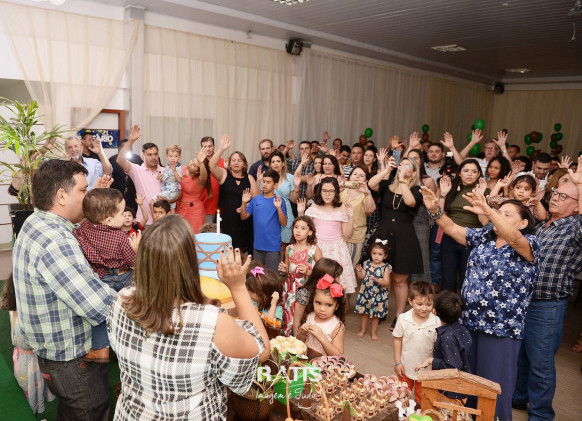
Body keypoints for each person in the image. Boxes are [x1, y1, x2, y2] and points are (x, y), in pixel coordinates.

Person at [107, 217, 270, 420]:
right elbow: (262, 350)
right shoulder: (211, 323)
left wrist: (151, 260)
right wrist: (238, 287)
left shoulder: (120, 301)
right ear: (191, 263)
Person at [421, 186, 539, 421]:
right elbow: (451, 228)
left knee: (492, 390)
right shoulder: (485, 237)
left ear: (523, 223)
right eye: (499, 212)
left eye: (507, 214)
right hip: (469, 323)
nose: (498, 216)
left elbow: (515, 238)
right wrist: (435, 210)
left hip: (501, 329)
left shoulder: (530, 243)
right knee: (467, 384)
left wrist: (490, 211)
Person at [13, 159, 115, 420]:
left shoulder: (37, 222)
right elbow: (97, 304)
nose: (87, 196)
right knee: (92, 411)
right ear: (61, 196)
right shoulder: (55, 240)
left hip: (54, 356)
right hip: (72, 360)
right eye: (83, 190)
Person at [513, 170, 582, 420]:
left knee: (541, 364)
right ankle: (519, 397)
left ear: (577, 206)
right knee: (522, 355)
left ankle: (541, 415)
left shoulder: (575, 228)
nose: (555, 198)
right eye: (555, 193)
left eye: (564, 197)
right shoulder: (542, 225)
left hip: (548, 306)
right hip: (525, 300)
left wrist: (580, 183)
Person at [73, 188, 140, 362]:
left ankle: (100, 348)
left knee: (101, 313)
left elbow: (77, 231)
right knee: (130, 311)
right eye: (122, 214)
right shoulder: (120, 237)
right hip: (124, 278)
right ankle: (131, 346)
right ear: (109, 220)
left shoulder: (84, 228)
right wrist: (136, 249)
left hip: (101, 278)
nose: (125, 217)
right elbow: (132, 261)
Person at [368, 156, 423, 327]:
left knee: (399, 280)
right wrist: (387, 169)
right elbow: (371, 184)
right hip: (383, 234)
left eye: (408, 165)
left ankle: (399, 315)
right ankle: (381, 309)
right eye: (402, 163)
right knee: (382, 274)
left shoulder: (417, 189)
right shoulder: (387, 186)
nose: (403, 166)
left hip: (404, 237)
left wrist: (403, 181)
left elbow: (410, 202)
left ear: (414, 172)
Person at [0, 275, 55, 414]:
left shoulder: (13, 306)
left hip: (21, 360)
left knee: (29, 393)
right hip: (33, 363)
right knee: (32, 394)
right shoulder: (27, 314)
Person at [414, 291, 472, 420]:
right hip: (462, 387)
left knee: (447, 416)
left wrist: (432, 361)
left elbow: (452, 368)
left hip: (450, 391)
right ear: (461, 312)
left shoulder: (447, 338)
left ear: (434, 311)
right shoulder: (462, 329)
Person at [438, 159, 488, 292]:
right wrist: (442, 195)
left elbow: (484, 222)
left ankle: (464, 306)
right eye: (466, 171)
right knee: (448, 279)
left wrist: (480, 196)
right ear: (459, 173)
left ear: (479, 174)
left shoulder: (483, 191)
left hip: (472, 239)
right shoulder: (451, 188)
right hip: (449, 237)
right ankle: (446, 305)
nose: (469, 174)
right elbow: (439, 215)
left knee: (467, 280)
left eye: (474, 171)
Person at [300, 177, 357, 294]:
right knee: (315, 284)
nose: (327, 194)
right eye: (324, 191)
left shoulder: (342, 208)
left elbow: (347, 234)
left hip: (336, 250)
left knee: (335, 285)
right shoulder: (314, 206)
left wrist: (351, 218)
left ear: (336, 192)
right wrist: (300, 213)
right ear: (320, 191)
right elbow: (304, 228)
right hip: (317, 248)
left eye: (331, 191)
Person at [392, 281, 440, 406]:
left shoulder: (437, 322)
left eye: (428, 304)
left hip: (426, 371)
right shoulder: (403, 318)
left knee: (423, 399)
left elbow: (438, 346)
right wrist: (397, 362)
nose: (424, 308)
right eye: (419, 304)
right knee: (401, 396)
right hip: (405, 366)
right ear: (410, 301)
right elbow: (397, 339)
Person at [208, 134, 255, 253]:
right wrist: (222, 148)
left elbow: (256, 200)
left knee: (241, 254)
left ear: (244, 164)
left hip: (243, 222)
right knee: (223, 252)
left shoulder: (250, 178)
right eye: (233, 160)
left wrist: (246, 206)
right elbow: (211, 165)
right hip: (225, 221)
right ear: (229, 163)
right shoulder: (224, 175)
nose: (236, 162)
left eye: (239, 160)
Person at [278, 216, 322, 335]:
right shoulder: (289, 248)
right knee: (288, 316)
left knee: (302, 317)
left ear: (310, 232)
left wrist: (308, 272)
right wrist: (284, 269)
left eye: (303, 228)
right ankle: (288, 339)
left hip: (305, 288)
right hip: (289, 288)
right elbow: (287, 269)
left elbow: (322, 271)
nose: (298, 231)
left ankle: (301, 339)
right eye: (296, 227)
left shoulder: (314, 249)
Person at [240, 169, 288, 272]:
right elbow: (243, 217)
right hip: (257, 246)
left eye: (268, 182)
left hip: (273, 248)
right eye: (264, 181)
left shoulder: (279, 201)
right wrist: (243, 203)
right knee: (257, 277)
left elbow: (284, 223)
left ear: (275, 185)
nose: (265, 184)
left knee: (272, 276)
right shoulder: (256, 200)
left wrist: (278, 208)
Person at [117, 124, 163, 225]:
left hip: (163, 221)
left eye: (155, 154)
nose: (153, 157)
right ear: (142, 157)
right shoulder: (137, 170)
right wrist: (131, 141)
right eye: (149, 155)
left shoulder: (165, 171)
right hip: (143, 221)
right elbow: (120, 160)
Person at [296, 275, 346, 356]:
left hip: (322, 362)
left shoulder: (336, 326)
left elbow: (338, 355)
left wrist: (322, 338)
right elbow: (298, 342)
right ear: (313, 301)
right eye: (318, 303)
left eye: (329, 305)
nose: (322, 309)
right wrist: (302, 333)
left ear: (336, 306)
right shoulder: (310, 316)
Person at [293, 258, 343, 336]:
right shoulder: (305, 293)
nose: (339, 280)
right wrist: (297, 338)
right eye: (337, 277)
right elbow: (297, 319)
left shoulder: (333, 292)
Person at [354, 241, 392, 341]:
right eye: (374, 253)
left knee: (376, 315)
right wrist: (359, 271)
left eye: (380, 254)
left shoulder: (385, 267)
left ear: (385, 256)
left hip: (378, 295)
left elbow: (386, 282)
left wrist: (377, 280)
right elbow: (361, 277)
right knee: (364, 313)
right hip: (366, 294)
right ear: (371, 253)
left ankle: (373, 332)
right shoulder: (367, 264)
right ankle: (363, 330)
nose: (376, 256)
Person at [258, 150, 295, 247]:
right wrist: (259, 181)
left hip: (286, 212)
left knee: (284, 245)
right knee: (271, 243)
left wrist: (297, 187)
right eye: (273, 162)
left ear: (283, 163)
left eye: (278, 161)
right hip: (269, 212)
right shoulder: (265, 177)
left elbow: (294, 199)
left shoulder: (290, 178)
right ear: (270, 164)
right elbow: (259, 196)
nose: (275, 164)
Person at [340, 165, 376, 265]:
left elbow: (370, 211)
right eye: (355, 174)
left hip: (355, 237)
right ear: (350, 176)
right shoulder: (343, 191)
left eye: (361, 176)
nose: (357, 177)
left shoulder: (365, 194)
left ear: (366, 180)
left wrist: (367, 193)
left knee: (349, 267)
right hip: (338, 235)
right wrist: (338, 189)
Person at [176, 148, 211, 233]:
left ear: (197, 172)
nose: (191, 163)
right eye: (192, 161)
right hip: (179, 208)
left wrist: (201, 163)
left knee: (194, 236)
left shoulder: (199, 180)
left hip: (194, 211)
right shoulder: (182, 169)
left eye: (194, 165)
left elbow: (204, 177)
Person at [246, 261, 284, 329]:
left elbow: (270, 325)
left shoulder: (277, 309)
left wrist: (273, 305)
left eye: (251, 291)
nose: (248, 292)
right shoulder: (254, 302)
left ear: (263, 295)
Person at [109, 138, 143, 212]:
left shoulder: (137, 159)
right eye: (123, 146)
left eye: (128, 146)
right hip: (117, 194)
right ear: (119, 148)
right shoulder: (112, 159)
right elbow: (109, 175)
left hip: (134, 194)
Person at [151, 144, 182, 211]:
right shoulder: (167, 166)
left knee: (153, 201)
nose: (173, 158)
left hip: (171, 191)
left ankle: (154, 217)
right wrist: (160, 178)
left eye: (176, 156)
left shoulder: (178, 168)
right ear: (167, 156)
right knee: (171, 209)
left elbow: (180, 180)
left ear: (179, 157)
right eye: (170, 156)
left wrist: (174, 171)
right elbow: (165, 178)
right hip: (166, 188)